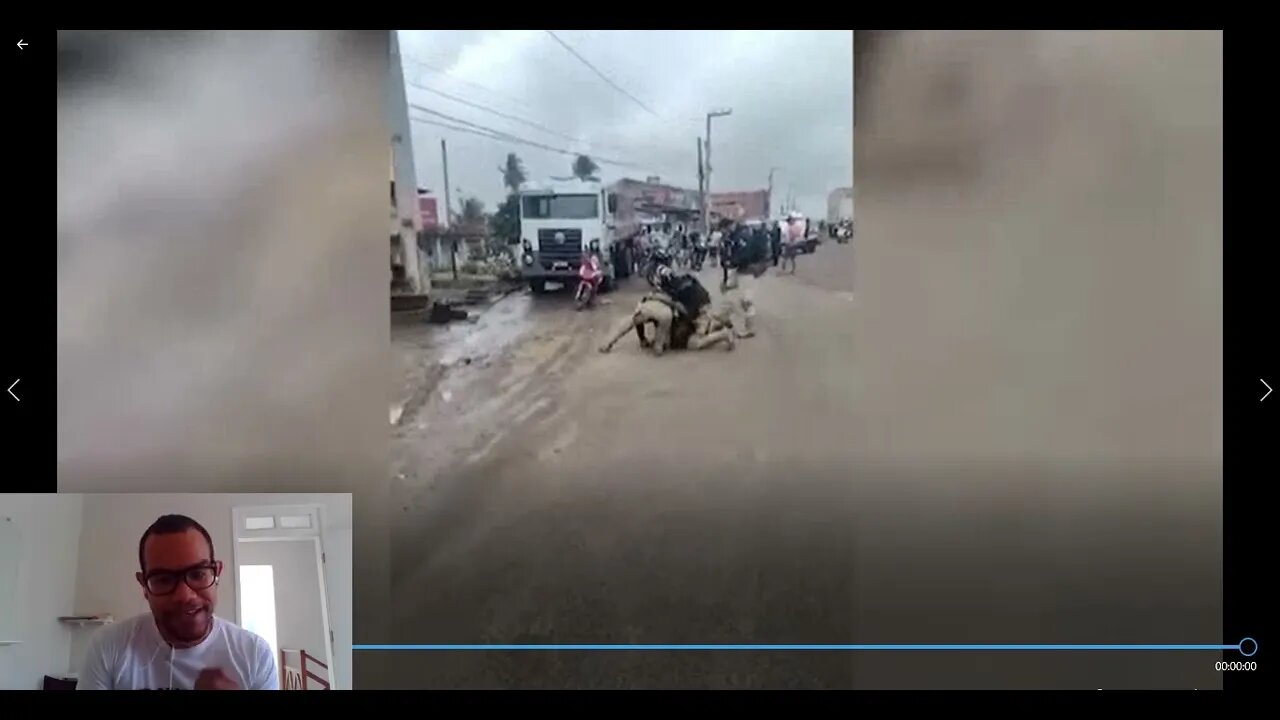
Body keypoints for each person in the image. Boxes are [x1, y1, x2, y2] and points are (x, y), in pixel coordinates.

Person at [78, 514, 278, 690]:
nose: (185, 596)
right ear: (144, 585)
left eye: (198, 574)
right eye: (164, 579)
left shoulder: (255, 655)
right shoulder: (108, 646)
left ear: (217, 573)